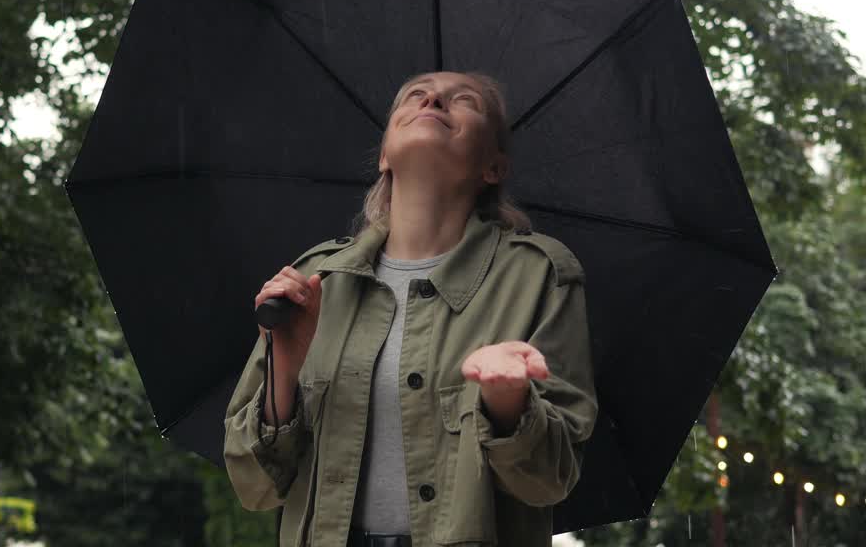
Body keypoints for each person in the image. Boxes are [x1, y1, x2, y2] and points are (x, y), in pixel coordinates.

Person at [222, 70, 599, 547]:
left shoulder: (539, 275)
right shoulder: (315, 281)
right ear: (384, 155)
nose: (433, 100)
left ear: (494, 167)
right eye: (414, 96)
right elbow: (253, 486)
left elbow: (547, 480)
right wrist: (285, 369)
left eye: (463, 101)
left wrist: (509, 404)